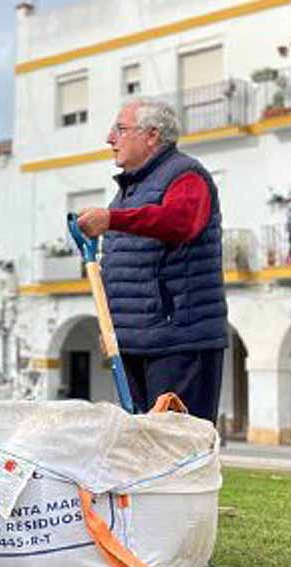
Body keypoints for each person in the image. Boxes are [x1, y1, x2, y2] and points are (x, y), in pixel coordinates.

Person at [75, 98, 227, 422]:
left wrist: (112, 220)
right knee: (144, 449)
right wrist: (114, 329)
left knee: (176, 445)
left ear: (152, 135)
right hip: (137, 341)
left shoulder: (186, 175)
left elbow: (180, 221)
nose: (109, 139)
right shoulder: (129, 191)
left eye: (120, 129)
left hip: (177, 340)